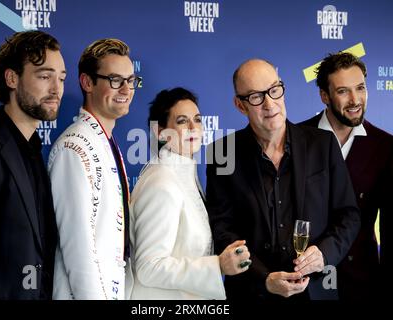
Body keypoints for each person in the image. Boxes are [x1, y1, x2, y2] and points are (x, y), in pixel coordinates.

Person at [206, 59, 361, 300]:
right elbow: (222, 230)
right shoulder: (222, 153)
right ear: (240, 105)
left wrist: (324, 253)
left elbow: (348, 215)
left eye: (274, 90)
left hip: (316, 291)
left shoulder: (323, 144)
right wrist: (263, 279)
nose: (270, 104)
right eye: (256, 97)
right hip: (252, 293)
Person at [128, 88, 251, 300]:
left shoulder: (182, 174)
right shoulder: (162, 183)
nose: (194, 128)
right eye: (183, 121)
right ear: (160, 132)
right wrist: (217, 266)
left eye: (197, 119)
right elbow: (149, 267)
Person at [0, 31, 65, 299]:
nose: (56, 89)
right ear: (12, 78)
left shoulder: (35, 150)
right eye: (45, 76)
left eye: (61, 78)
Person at [48, 38, 138, 300]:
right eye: (115, 80)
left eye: (131, 80)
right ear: (87, 83)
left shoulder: (105, 141)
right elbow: (78, 249)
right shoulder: (73, 148)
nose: (126, 89)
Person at [299, 52, 393, 300]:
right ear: (324, 96)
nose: (355, 100)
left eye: (360, 88)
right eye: (343, 91)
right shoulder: (296, 139)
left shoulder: (385, 146)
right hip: (305, 284)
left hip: (362, 284)